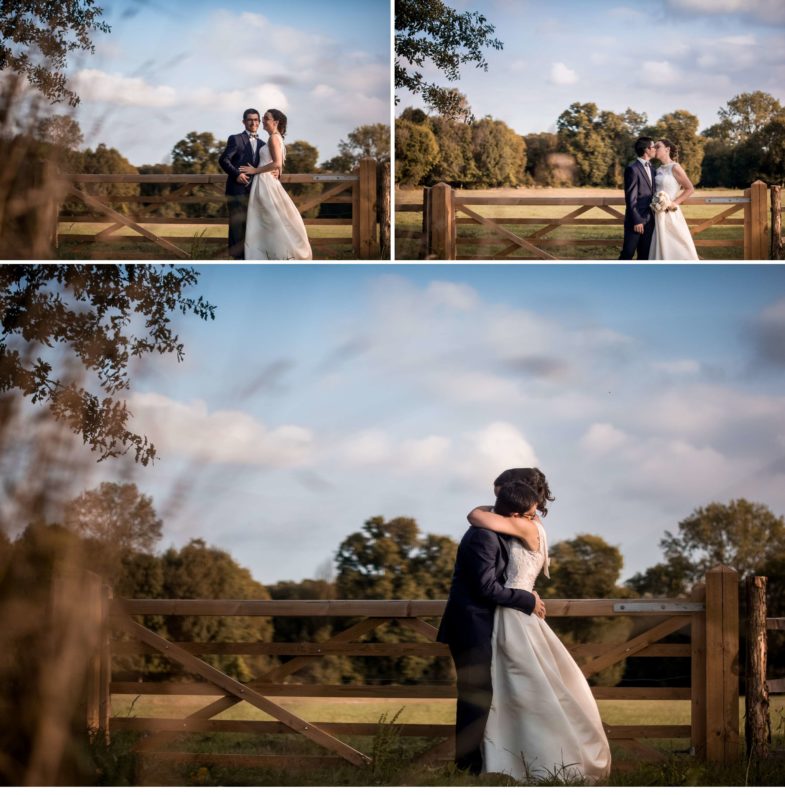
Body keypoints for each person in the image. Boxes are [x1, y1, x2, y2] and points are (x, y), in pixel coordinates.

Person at [467, 482, 611, 783]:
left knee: (523, 685)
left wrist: (490, 507)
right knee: (525, 684)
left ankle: (530, 754)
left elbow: (475, 516)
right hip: (520, 607)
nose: (536, 514)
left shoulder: (520, 525)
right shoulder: (528, 525)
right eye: (531, 510)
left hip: (515, 611)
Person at [437, 470, 547, 775]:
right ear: (513, 514)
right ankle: (467, 768)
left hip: (490, 624)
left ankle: (497, 760)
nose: (533, 520)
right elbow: (485, 588)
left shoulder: (498, 529)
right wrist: (527, 600)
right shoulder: (483, 537)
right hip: (471, 627)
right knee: (475, 697)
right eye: (529, 515)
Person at [238, 109, 312, 261]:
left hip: (265, 182)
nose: (262, 121)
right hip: (267, 181)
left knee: (268, 220)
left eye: (266, 118)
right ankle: (270, 253)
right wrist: (279, 171)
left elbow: (277, 162)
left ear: (275, 122)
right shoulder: (276, 138)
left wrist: (255, 170)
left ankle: (272, 254)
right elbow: (278, 163)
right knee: (267, 219)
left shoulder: (273, 139)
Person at [218, 108, 270, 260]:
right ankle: (237, 261)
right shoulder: (235, 139)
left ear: (259, 122)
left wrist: (277, 171)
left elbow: (268, 164)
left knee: (252, 227)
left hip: (255, 191)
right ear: (244, 122)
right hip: (236, 191)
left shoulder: (263, 144)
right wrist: (237, 174)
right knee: (236, 228)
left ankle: (251, 257)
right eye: (250, 120)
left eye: (256, 120)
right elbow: (224, 160)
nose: (253, 122)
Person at [649, 139, 699, 260]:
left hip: (670, 212)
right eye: (653, 147)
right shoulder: (658, 169)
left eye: (657, 147)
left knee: (678, 245)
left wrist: (673, 203)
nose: (654, 149)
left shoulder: (675, 167)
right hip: (657, 213)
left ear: (667, 149)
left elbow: (690, 188)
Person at [620, 137, 657, 260]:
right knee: (628, 254)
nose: (655, 149)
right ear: (646, 149)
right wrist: (637, 220)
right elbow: (631, 198)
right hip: (636, 221)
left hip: (650, 220)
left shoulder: (653, 169)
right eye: (653, 147)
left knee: (644, 256)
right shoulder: (633, 169)